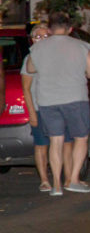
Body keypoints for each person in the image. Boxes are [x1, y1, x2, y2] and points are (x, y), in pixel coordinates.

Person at [26, 12, 90, 195]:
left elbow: (30, 68)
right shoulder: (81, 46)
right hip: (75, 98)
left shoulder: (39, 48)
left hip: (48, 101)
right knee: (81, 138)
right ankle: (73, 179)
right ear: (70, 29)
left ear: (50, 29)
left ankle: (56, 185)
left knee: (55, 140)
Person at [20, 23, 54, 191]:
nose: (41, 40)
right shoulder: (30, 59)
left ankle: (61, 175)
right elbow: (26, 89)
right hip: (40, 109)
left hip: (56, 107)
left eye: (45, 36)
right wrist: (32, 113)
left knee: (58, 143)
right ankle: (44, 179)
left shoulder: (57, 57)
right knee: (41, 145)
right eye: (37, 37)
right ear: (32, 40)